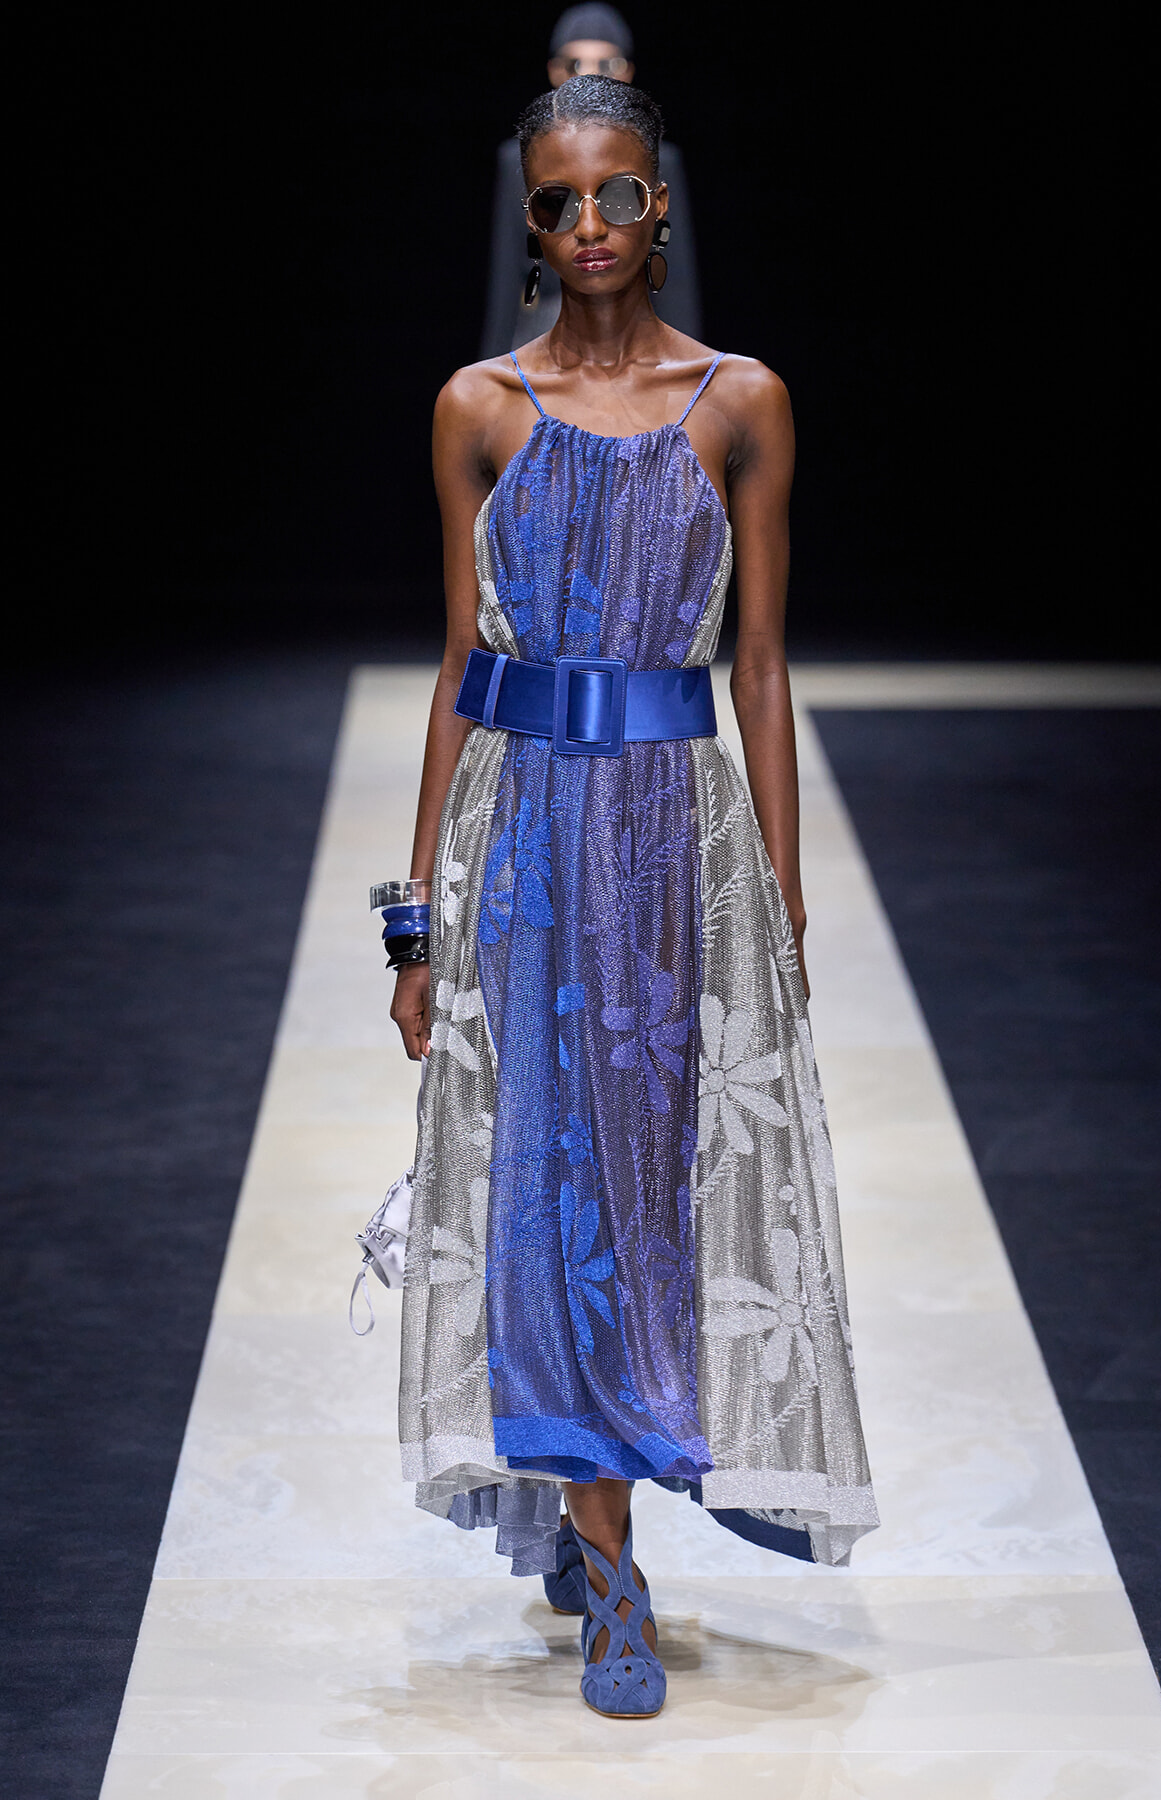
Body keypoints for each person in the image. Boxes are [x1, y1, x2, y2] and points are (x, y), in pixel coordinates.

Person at [392, 75, 877, 1720]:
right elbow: (464, 668)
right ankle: (606, 1562)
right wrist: (415, 922)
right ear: (529, 226)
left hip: (676, 843)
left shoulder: (742, 401)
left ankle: (606, 1465)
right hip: (523, 839)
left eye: (612, 194)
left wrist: (789, 912)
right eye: (555, 204)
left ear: (660, 198)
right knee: (544, 1186)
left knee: (651, 1187)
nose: (588, 226)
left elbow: (758, 663)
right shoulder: (481, 407)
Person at [479, 4, 700, 357]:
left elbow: (675, 275)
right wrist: (491, 365)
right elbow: (508, 275)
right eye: (574, 65)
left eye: (606, 64)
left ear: (627, 71)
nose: (589, 77)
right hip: (544, 330)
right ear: (553, 71)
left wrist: (691, 367)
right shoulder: (518, 160)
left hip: (638, 333)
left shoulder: (660, 159)